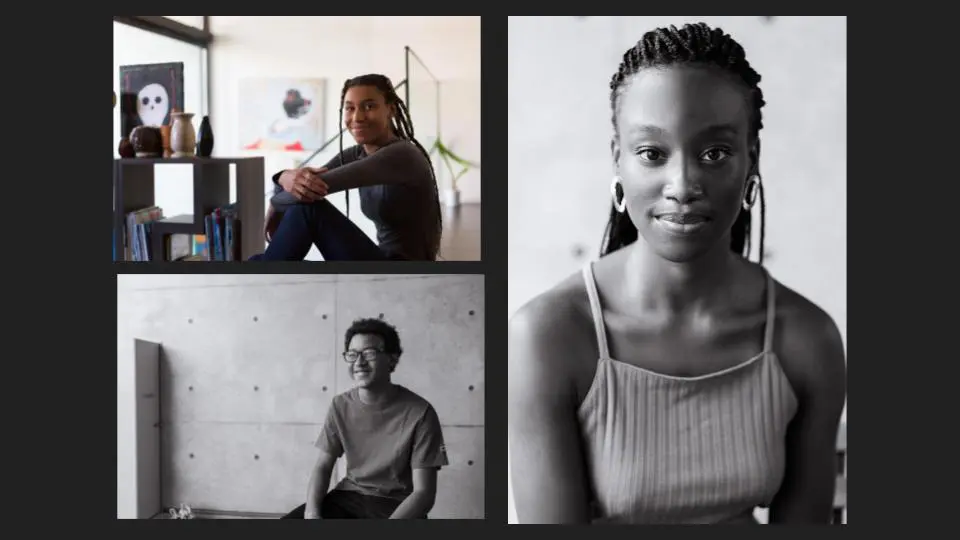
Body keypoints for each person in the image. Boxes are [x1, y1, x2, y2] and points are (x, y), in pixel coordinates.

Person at [508, 22, 846, 524]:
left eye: (715, 153)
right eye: (652, 153)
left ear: (751, 160)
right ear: (618, 162)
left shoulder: (807, 338)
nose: (683, 183)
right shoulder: (547, 336)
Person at [250, 74, 443, 261]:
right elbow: (303, 183)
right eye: (350, 108)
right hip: (381, 258)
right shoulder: (356, 154)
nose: (357, 117)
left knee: (308, 210)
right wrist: (283, 179)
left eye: (369, 106)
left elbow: (310, 188)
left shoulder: (402, 155)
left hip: (405, 273)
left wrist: (277, 198)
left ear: (390, 110)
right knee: (266, 259)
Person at [283, 318, 448, 519]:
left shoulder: (420, 413)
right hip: (347, 497)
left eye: (369, 353)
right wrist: (311, 514)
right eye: (353, 355)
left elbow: (424, 494)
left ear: (392, 359)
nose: (359, 362)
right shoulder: (340, 405)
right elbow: (323, 465)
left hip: (395, 506)